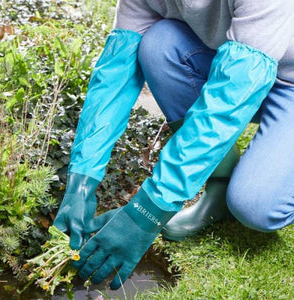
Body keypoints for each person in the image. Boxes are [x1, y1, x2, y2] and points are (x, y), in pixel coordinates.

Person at [53, 0, 294, 290]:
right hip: (235, 61)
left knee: (256, 207)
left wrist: (148, 211)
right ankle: (219, 183)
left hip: (286, 81)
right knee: (159, 44)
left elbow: (228, 100)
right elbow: (116, 73)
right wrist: (82, 178)